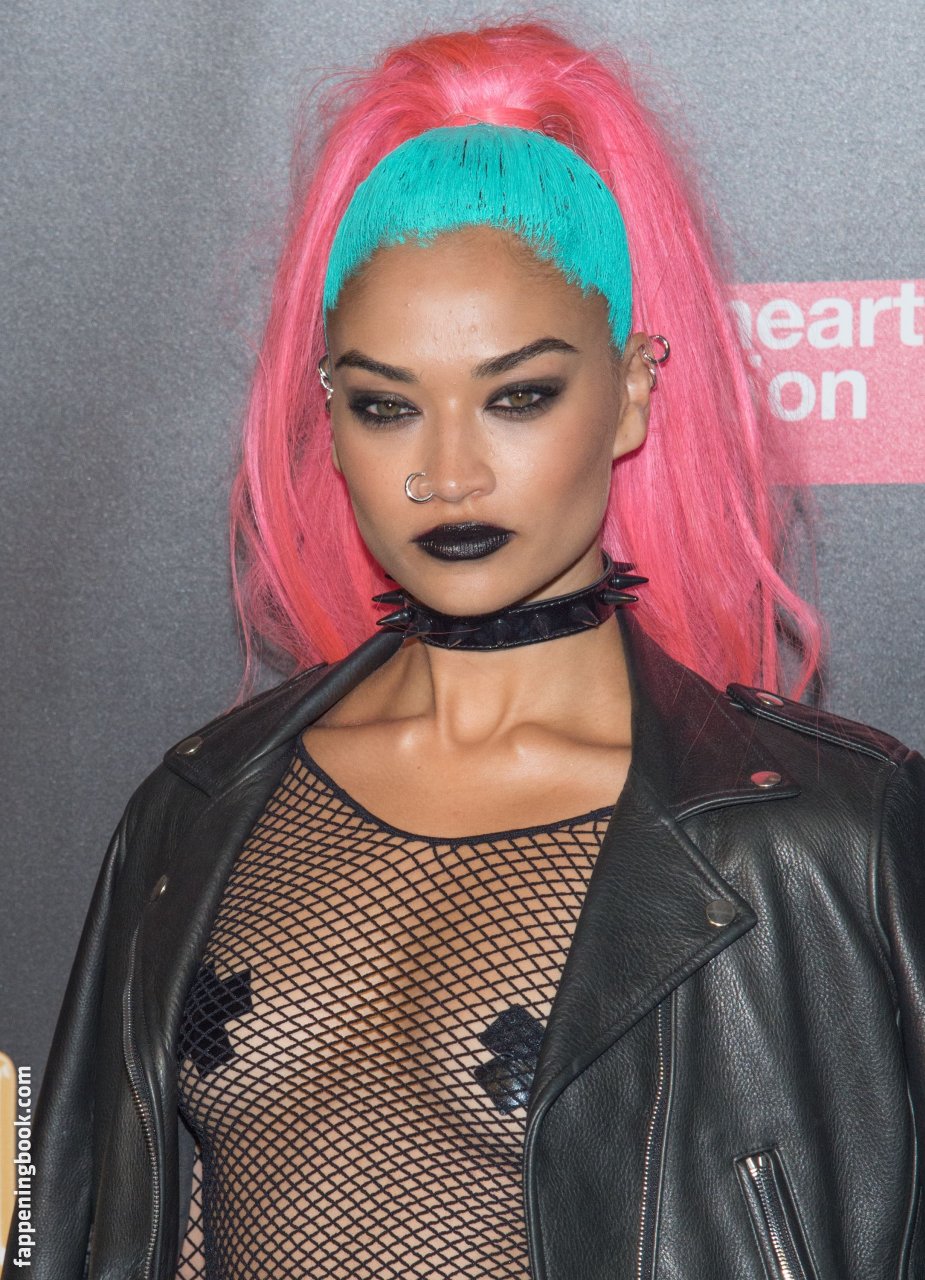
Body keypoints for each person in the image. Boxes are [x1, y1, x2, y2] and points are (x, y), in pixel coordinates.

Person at [5, 19, 924, 1280]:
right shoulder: (193, 814)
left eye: (518, 394)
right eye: (387, 405)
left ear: (632, 389)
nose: (447, 470)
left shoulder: (828, 843)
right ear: (329, 417)